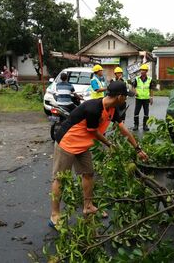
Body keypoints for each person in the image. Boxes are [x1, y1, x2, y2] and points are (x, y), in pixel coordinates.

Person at [49, 81, 148, 228]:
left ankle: (88, 205)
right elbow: (94, 132)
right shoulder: (94, 108)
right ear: (119, 96)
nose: (126, 99)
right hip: (67, 143)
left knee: (88, 174)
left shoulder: (113, 109)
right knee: (60, 179)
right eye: (125, 96)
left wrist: (137, 149)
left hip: (83, 145)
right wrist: (110, 145)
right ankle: (55, 215)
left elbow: (123, 129)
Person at [132, 64, 155, 131]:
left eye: (143, 70)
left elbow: (151, 89)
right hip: (138, 98)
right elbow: (133, 86)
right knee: (136, 112)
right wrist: (135, 92)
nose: (142, 71)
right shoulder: (137, 79)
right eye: (141, 70)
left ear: (146, 71)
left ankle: (145, 125)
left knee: (146, 113)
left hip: (146, 99)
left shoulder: (150, 79)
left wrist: (151, 98)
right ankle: (136, 125)